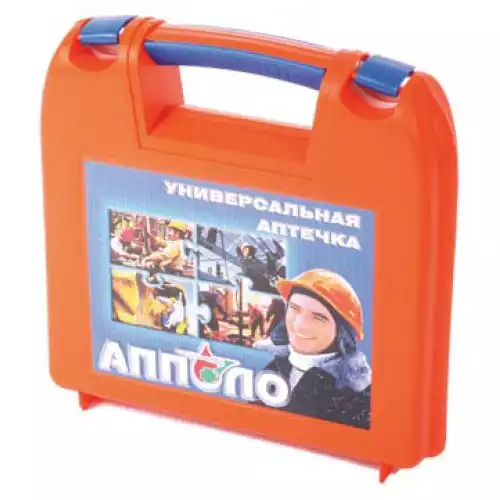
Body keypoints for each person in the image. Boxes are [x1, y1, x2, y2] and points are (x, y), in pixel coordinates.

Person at [253, 269, 372, 429]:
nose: (299, 325)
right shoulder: (271, 364)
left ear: (342, 333)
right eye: (295, 309)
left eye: (318, 317)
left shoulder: (356, 396)